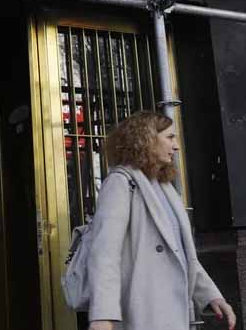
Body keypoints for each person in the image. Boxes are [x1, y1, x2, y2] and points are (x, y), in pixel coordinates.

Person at [87, 110, 236, 330]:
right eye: (169, 137)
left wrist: (211, 295)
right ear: (145, 139)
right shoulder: (121, 183)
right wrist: (103, 314)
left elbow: (180, 253)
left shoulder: (164, 186)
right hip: (144, 307)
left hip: (169, 309)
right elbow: (104, 253)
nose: (176, 146)